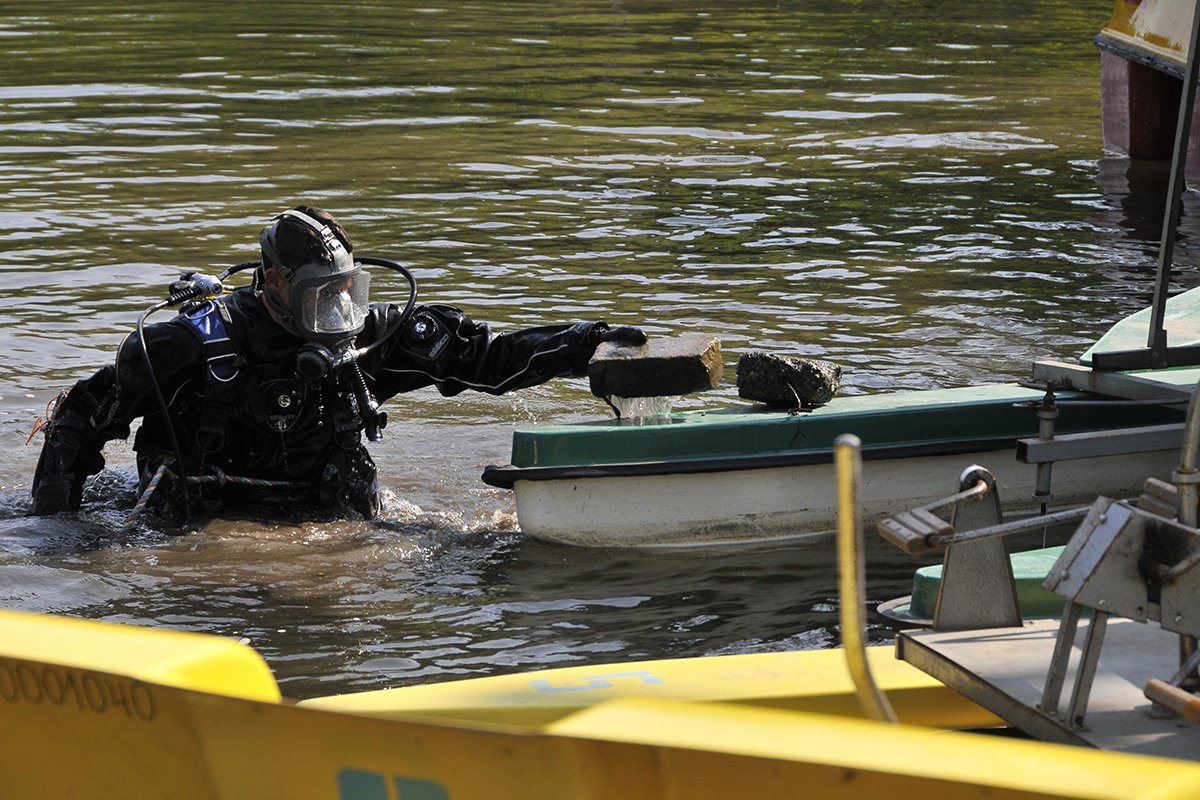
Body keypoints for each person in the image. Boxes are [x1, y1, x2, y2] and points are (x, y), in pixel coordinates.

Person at [30, 206, 645, 521]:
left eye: (347, 291)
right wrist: (60, 531)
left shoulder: (370, 341)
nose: (339, 311)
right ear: (274, 281)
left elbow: (489, 360)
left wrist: (584, 343)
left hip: (330, 508)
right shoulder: (186, 345)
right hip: (199, 519)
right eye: (319, 296)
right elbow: (84, 419)